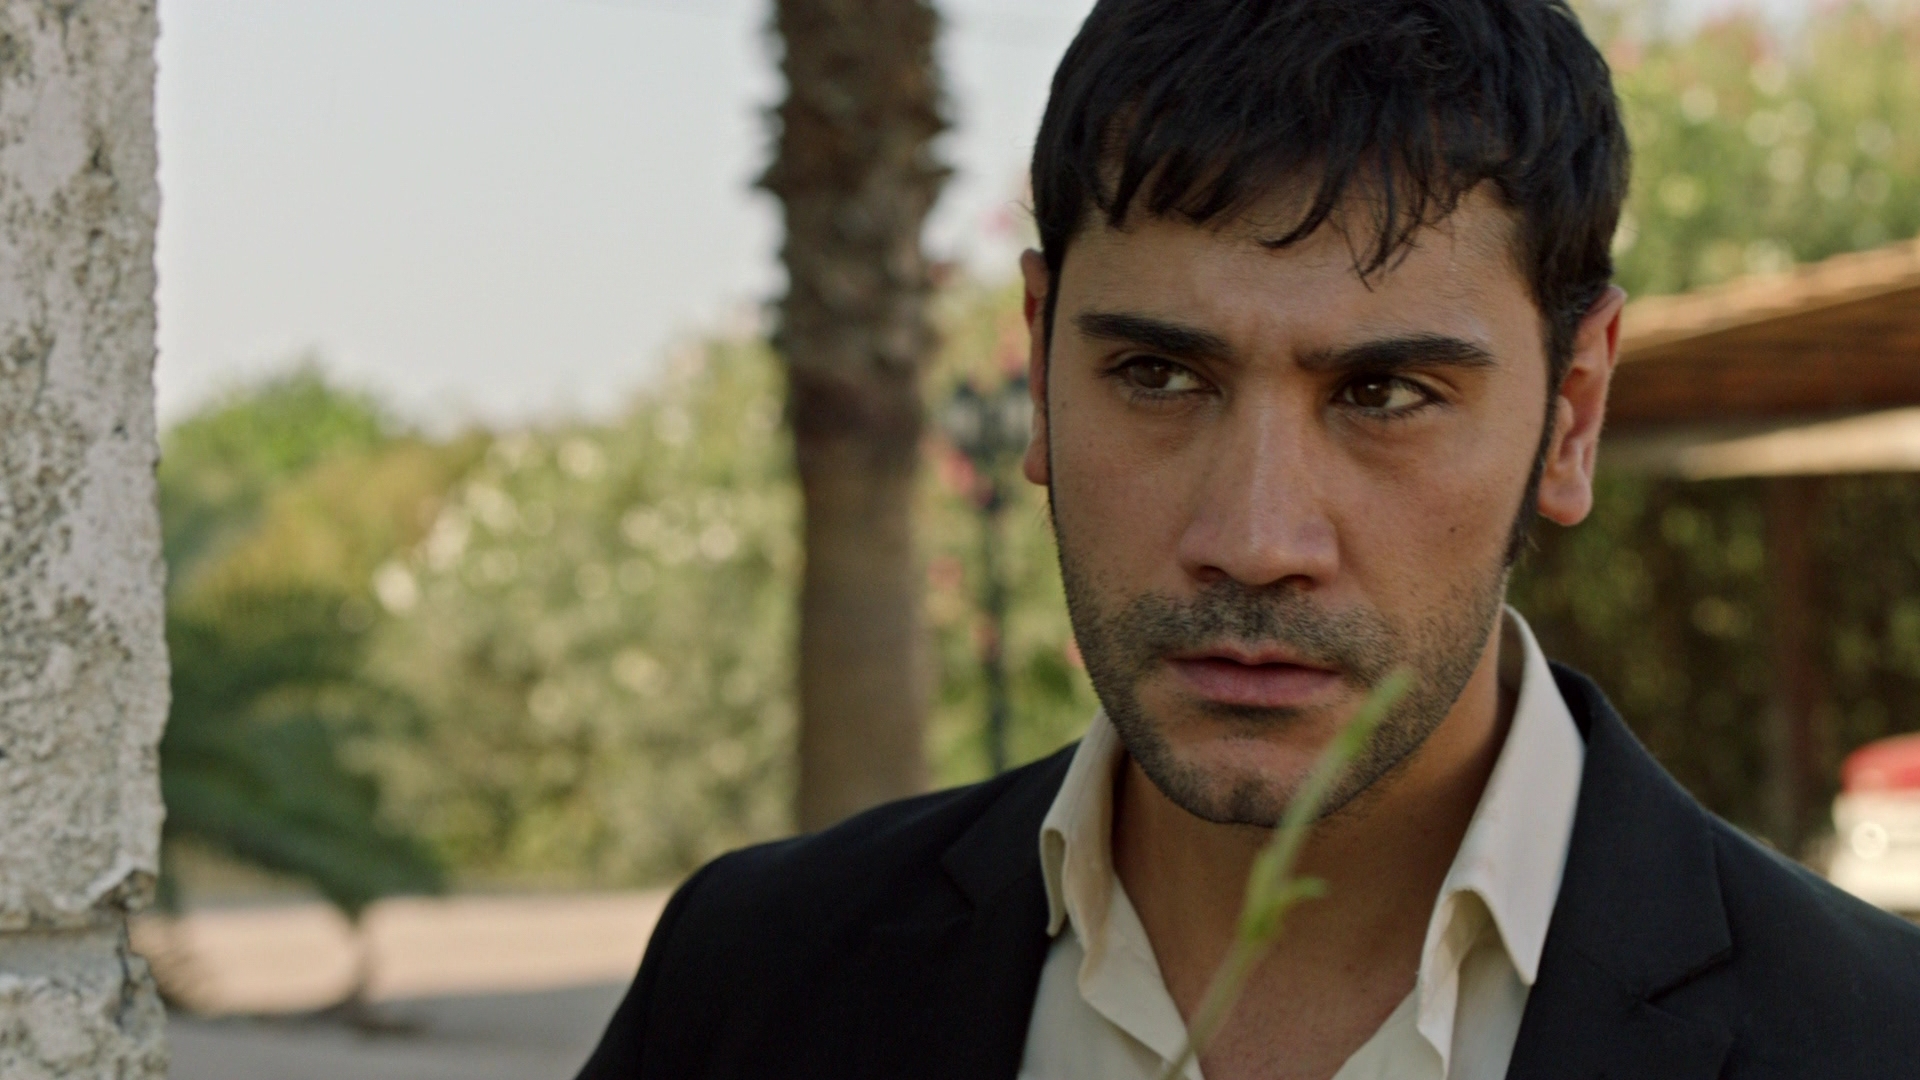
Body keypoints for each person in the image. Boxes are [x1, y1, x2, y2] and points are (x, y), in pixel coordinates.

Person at [578, 1, 1920, 1077]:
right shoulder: (756, 983)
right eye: (1160, 376)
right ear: (1039, 369)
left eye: (1385, 394)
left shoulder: (1873, 1037)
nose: (1256, 539)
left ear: (1571, 414)